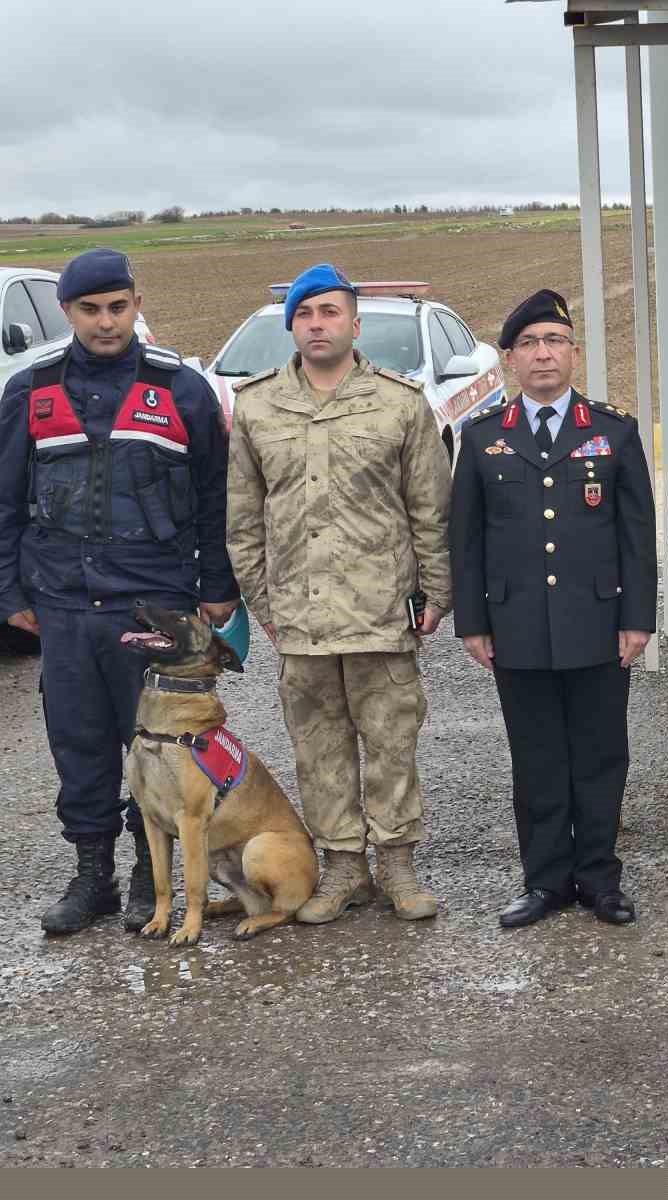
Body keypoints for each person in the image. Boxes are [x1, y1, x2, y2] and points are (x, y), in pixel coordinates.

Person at [0, 249, 238, 936]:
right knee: (77, 741)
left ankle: (145, 872)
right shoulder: (30, 391)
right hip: (63, 601)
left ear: (136, 305)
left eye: (117, 307)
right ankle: (91, 875)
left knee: (157, 741)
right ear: (67, 312)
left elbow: (215, 495)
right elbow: (6, 502)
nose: (105, 322)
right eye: (89, 310)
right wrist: (9, 591)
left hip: (153, 600)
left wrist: (218, 585)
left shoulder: (182, 390)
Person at [227, 262, 451, 924]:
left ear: (354, 323)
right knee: (318, 748)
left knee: (391, 742)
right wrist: (265, 606)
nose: (317, 324)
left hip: (381, 611)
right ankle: (345, 867)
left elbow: (431, 509)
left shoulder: (400, 403)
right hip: (301, 616)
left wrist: (437, 591)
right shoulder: (257, 407)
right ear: (291, 327)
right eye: (304, 314)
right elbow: (243, 520)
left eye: (329, 312)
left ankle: (397, 864)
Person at [450, 289, 656, 929]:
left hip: (597, 624)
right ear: (510, 358)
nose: (543, 354)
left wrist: (638, 618)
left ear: (574, 352)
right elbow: (466, 538)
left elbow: (636, 535)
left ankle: (599, 880)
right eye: (530, 344)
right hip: (516, 627)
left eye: (555, 341)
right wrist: (473, 622)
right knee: (537, 760)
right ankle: (544, 881)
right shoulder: (483, 437)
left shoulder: (613, 431)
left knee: (600, 758)